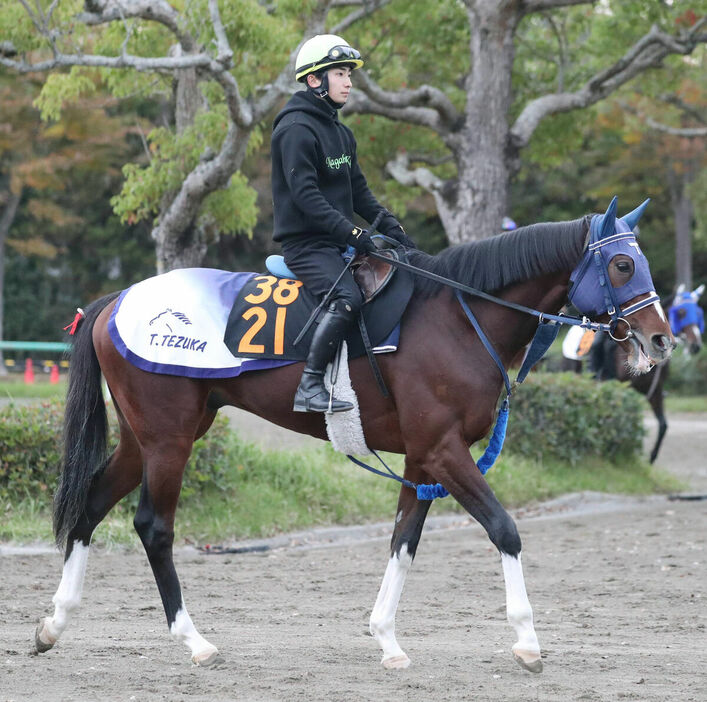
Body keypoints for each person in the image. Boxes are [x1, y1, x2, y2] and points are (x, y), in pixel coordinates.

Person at [271, 34, 415, 414]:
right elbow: (307, 198)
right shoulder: (295, 129)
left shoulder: (341, 132)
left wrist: (394, 228)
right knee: (347, 298)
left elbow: (360, 194)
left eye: (349, 73)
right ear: (315, 80)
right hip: (306, 246)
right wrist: (356, 235)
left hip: (337, 242)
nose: (348, 81)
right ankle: (309, 384)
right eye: (340, 73)